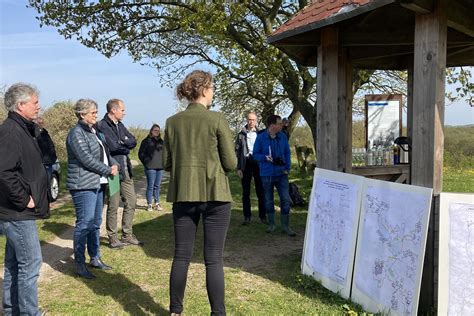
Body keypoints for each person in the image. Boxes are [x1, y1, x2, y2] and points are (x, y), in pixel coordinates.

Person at [163, 70, 236, 316]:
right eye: (213, 87)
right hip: (216, 194)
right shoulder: (216, 119)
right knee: (213, 258)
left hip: (184, 194)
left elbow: (166, 162)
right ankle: (218, 313)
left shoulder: (172, 122)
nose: (214, 92)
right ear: (204, 89)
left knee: (181, 255)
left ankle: (175, 311)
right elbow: (231, 163)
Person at [0, 83, 50, 314]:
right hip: (16, 212)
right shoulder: (11, 131)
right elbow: (3, 171)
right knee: (30, 265)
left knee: (13, 265)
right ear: (21, 105)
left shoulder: (22, 128)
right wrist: (24, 200)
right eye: (35, 102)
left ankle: (13, 311)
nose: (38, 106)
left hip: (15, 211)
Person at [66, 98, 119, 279]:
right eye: (93, 113)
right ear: (82, 114)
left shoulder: (94, 131)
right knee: (85, 223)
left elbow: (106, 152)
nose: (96, 115)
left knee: (95, 223)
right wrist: (107, 169)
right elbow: (85, 158)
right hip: (83, 185)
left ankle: (95, 257)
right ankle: (79, 263)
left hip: (98, 182)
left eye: (96, 112)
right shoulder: (76, 133)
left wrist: (113, 164)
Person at [97, 99, 141, 248]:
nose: (124, 112)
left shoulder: (120, 125)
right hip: (113, 171)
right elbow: (112, 146)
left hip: (126, 169)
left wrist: (123, 142)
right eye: (122, 109)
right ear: (113, 110)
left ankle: (127, 234)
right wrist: (123, 143)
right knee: (114, 204)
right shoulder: (102, 126)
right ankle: (113, 237)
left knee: (132, 201)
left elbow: (133, 141)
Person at [253, 114, 295, 236]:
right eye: (279, 123)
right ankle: (272, 224)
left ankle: (286, 226)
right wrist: (265, 158)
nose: (281, 125)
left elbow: (287, 152)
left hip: (282, 173)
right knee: (268, 200)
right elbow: (255, 154)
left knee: (285, 199)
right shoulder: (261, 138)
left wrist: (287, 167)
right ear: (272, 125)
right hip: (266, 174)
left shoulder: (283, 136)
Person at [235, 111, 266, 225]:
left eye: (253, 120)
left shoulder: (261, 134)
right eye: (249, 119)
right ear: (246, 120)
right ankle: (247, 217)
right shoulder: (241, 134)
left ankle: (263, 216)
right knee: (246, 192)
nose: (251, 121)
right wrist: (238, 168)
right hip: (246, 163)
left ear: (256, 121)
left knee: (261, 191)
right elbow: (237, 152)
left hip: (258, 163)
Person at [138, 124, 164, 211]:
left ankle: (157, 203)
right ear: (151, 131)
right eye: (155, 130)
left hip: (160, 167)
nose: (157, 132)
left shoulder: (161, 142)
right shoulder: (146, 141)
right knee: (151, 186)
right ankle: (149, 204)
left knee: (157, 186)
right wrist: (146, 163)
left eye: (158, 130)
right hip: (150, 167)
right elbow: (141, 154)